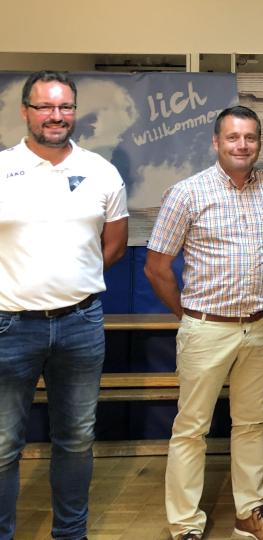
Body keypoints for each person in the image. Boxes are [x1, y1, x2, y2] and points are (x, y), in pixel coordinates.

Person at [144, 105, 263, 540]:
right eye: (232, 137)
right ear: (216, 142)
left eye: (249, 137)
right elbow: (156, 267)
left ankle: (249, 514)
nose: (242, 145)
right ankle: (185, 524)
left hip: (262, 325)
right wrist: (189, 316)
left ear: (259, 143)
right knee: (191, 427)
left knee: (251, 423)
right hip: (205, 326)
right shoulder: (187, 193)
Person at [0, 70, 128, 540]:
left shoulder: (101, 171)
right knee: (1, 446)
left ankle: (70, 535)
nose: (56, 116)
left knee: (75, 440)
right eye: (45, 107)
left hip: (80, 325)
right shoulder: (2, 169)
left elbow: (113, 245)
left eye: (65, 107)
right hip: (8, 327)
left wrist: (71, 282)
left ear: (75, 111)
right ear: (26, 112)